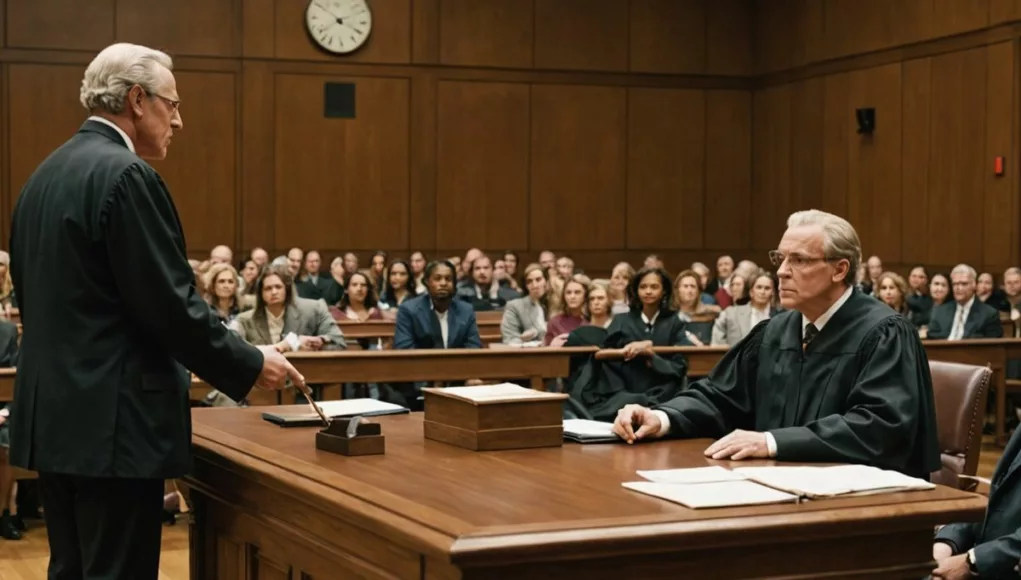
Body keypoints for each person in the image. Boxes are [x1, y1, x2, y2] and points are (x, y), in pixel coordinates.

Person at [8, 43, 302, 579]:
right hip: (114, 426)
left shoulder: (41, 179)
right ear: (138, 100)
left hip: (57, 419)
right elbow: (168, 306)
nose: (179, 120)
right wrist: (251, 364)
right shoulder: (126, 177)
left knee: (72, 569)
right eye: (173, 104)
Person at [612, 210, 940, 480]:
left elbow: (880, 428)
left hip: (861, 507)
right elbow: (720, 395)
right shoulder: (776, 332)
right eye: (780, 258)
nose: (781, 272)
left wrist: (771, 442)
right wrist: (663, 417)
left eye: (798, 260)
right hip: (777, 487)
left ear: (840, 269)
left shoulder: (885, 333)